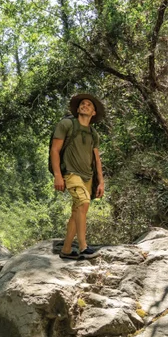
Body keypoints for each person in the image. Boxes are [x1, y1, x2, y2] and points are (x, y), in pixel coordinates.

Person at [51, 94, 105, 259]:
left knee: (77, 212)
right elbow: (55, 150)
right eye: (83, 103)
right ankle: (83, 247)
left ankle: (66, 250)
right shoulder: (66, 124)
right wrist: (58, 176)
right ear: (77, 108)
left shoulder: (93, 133)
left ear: (93, 113)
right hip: (70, 173)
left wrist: (101, 182)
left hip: (87, 177)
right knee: (83, 203)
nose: (85, 105)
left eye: (89, 105)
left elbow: (96, 159)